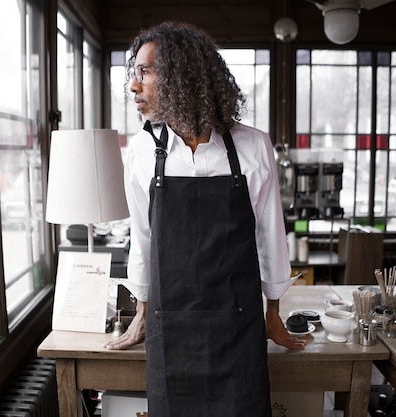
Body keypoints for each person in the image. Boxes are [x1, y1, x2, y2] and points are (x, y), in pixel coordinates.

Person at [104, 21, 305, 417]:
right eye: (135, 72)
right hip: (170, 329)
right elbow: (142, 241)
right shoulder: (144, 151)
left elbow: (271, 237)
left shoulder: (252, 145)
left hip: (238, 328)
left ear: (182, 76)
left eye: (145, 72)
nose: (133, 85)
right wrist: (141, 316)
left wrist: (274, 313)